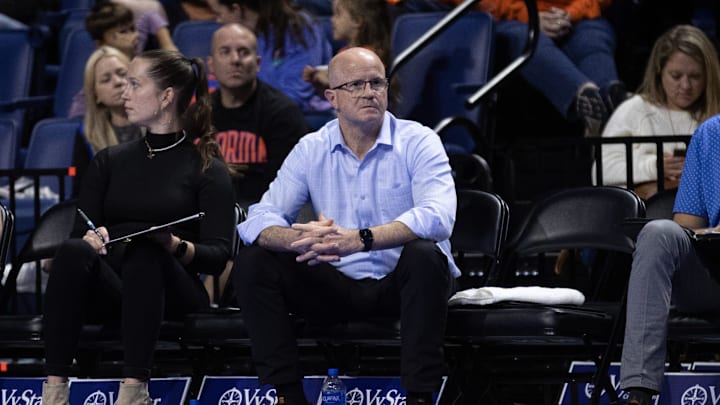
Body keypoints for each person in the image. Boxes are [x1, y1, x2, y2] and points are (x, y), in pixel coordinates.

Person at [233, 47, 459, 405]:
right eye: (355, 85)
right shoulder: (311, 148)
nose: (369, 92)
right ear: (332, 98)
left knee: (425, 255)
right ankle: (288, 396)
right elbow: (259, 217)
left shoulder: (418, 140)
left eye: (377, 82)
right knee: (254, 260)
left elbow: (438, 215)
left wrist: (361, 240)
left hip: (402, 286)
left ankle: (418, 396)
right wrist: (296, 239)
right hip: (334, 285)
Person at [41, 50, 235, 405]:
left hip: (173, 291)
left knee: (146, 252)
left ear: (166, 96)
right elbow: (77, 235)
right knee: (72, 251)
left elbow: (218, 257)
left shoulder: (206, 167)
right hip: (114, 285)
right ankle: (54, 390)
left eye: (134, 83)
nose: (124, 93)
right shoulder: (110, 160)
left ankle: (133, 391)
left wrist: (174, 244)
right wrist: (90, 239)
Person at [617, 114, 720, 405]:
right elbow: (687, 224)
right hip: (711, 273)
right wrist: (712, 232)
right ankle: (638, 394)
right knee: (658, 231)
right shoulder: (711, 133)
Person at [433, 0, 626, 137]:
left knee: (593, 40)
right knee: (527, 41)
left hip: (574, 16)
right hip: (511, 19)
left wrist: (570, 14)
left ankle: (609, 98)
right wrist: (529, 16)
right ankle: (587, 96)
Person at [595, 24, 720, 199]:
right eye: (676, 76)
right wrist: (654, 167)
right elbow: (601, 170)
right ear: (659, 73)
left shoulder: (716, 115)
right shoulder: (636, 109)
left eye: (695, 77)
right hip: (650, 216)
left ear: (708, 76)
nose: (685, 86)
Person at [208, 23, 307, 204]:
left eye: (244, 52)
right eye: (225, 52)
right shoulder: (199, 113)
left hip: (264, 210)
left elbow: (288, 188)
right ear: (211, 65)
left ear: (258, 63)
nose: (235, 59)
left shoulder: (283, 113)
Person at [205, 0, 333, 111]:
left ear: (237, 9)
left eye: (219, 14)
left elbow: (297, 94)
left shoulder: (300, 30)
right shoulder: (234, 40)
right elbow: (217, 85)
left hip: (295, 116)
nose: (218, 21)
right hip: (244, 113)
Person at [69, 1, 178, 118]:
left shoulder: (137, 46)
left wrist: (166, 41)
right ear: (100, 44)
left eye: (132, 28)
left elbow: (149, 16)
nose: (134, 35)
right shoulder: (100, 74)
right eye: (122, 32)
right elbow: (76, 115)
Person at [302, 0, 392, 94]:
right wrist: (319, 83)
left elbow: (359, 93)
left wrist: (330, 80)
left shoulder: (369, 58)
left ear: (357, 20)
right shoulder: (344, 52)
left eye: (338, 14)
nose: (332, 20)